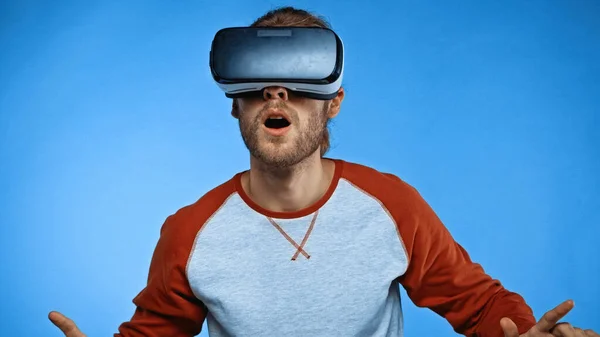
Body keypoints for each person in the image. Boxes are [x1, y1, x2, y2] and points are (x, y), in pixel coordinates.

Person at [49, 6, 598, 337]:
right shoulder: (190, 232)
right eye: (258, 84)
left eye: (298, 79)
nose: (277, 92)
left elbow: (478, 305)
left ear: (333, 103)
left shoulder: (391, 206)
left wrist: (523, 332)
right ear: (235, 106)